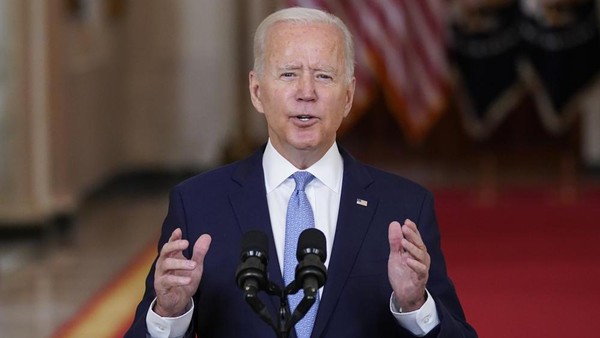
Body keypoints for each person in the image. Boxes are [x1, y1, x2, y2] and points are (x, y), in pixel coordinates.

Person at [125, 6, 477, 338]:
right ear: (257, 91)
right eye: (289, 74)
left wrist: (415, 307)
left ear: (349, 96)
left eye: (324, 76)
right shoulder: (198, 203)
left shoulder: (403, 208)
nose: (306, 92)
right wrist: (170, 312)